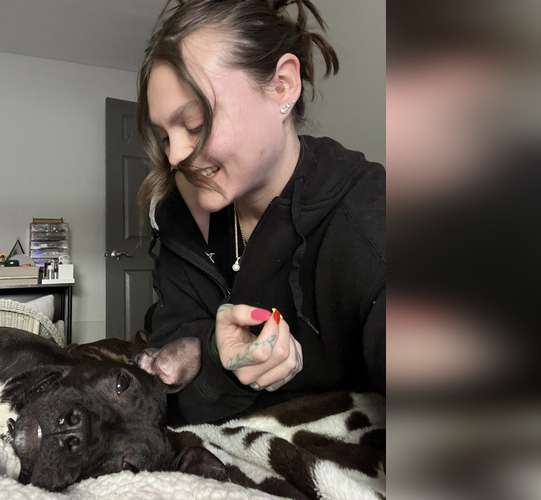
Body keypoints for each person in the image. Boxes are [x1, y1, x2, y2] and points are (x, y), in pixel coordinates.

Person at [135, 0, 385, 425]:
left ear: (283, 87)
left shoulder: (367, 213)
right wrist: (216, 358)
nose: (176, 155)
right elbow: (164, 386)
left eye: (194, 124)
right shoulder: (179, 221)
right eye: (165, 136)